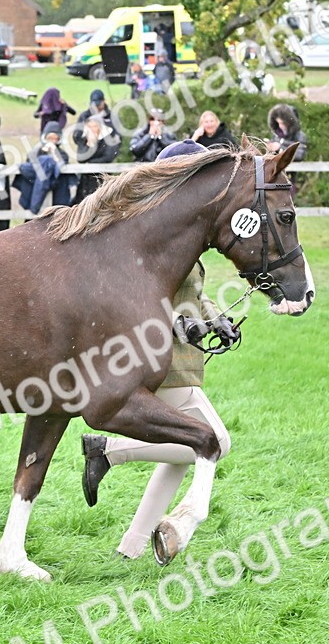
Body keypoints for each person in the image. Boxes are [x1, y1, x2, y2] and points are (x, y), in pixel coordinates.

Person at [80, 138, 239, 560]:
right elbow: (137, 297)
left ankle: (132, 548)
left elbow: (194, 292)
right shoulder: (151, 237)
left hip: (183, 360)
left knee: (184, 453)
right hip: (153, 358)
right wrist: (176, 322)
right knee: (214, 441)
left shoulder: (186, 233)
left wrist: (216, 317)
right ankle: (108, 451)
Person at [12, 121, 74, 214]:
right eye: (49, 138)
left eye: (55, 138)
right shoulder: (36, 152)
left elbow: (62, 165)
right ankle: (35, 205)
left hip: (56, 190)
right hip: (34, 187)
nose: (52, 141)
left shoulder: (62, 154)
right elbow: (29, 167)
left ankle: (36, 206)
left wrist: (54, 153)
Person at [73, 115, 121, 203]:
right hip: (86, 178)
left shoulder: (109, 138)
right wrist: (90, 144)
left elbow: (108, 157)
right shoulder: (85, 139)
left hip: (102, 176)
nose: (92, 129)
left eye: (94, 126)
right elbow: (80, 158)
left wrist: (89, 162)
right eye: (89, 127)